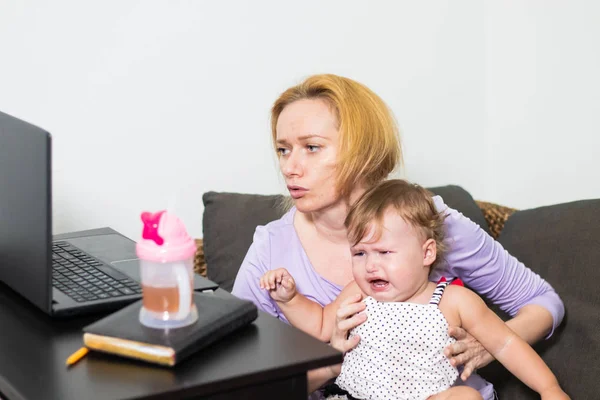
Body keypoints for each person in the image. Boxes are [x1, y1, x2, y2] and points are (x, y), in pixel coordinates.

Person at [231, 74, 565, 399]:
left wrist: (488, 345)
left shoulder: (427, 221)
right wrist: (331, 358)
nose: (290, 168)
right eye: (283, 150)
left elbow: (543, 303)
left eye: (312, 147)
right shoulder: (271, 249)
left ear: (362, 153)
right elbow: (236, 371)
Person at [259, 179, 569, 400]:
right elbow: (321, 324)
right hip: (360, 395)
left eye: (384, 253)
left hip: (431, 395)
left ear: (426, 253)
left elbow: (505, 345)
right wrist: (291, 299)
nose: (370, 266)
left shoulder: (452, 300)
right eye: (360, 253)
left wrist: (548, 388)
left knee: (464, 398)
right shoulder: (357, 293)